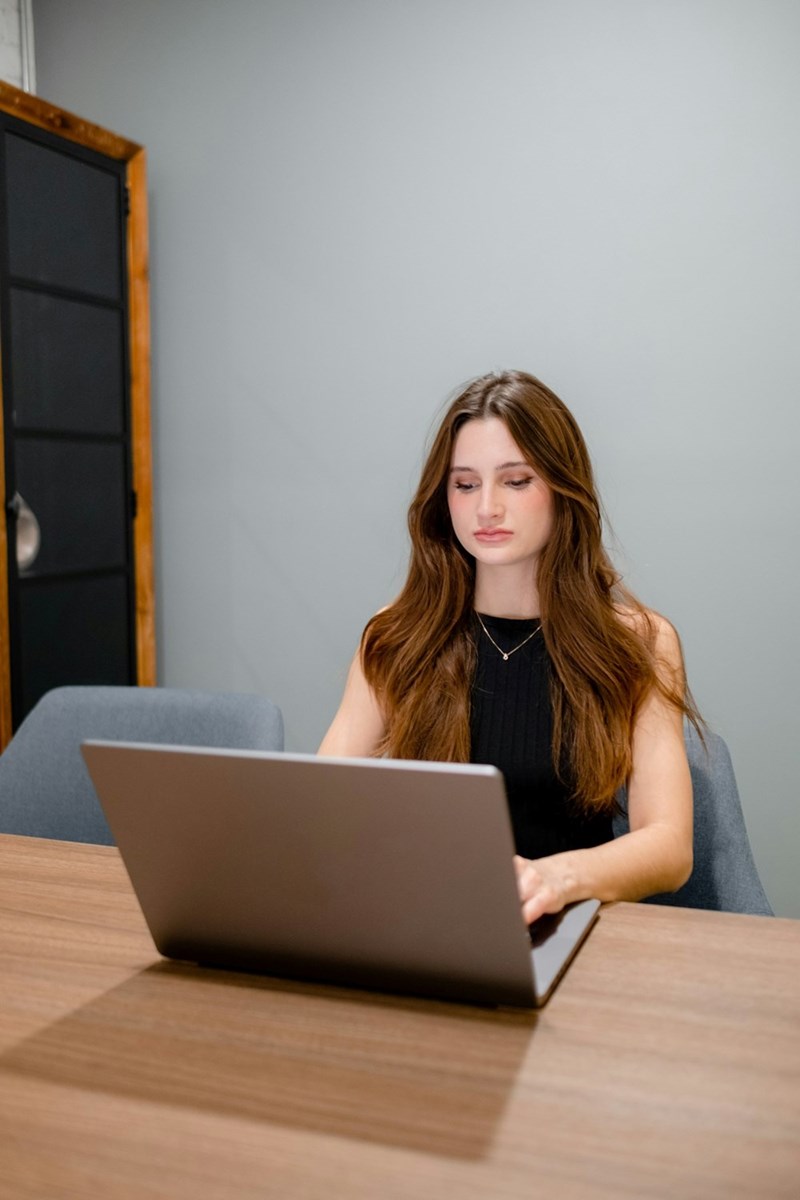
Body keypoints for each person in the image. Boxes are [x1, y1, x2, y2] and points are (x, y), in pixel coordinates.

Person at [319, 370, 697, 924]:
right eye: (465, 484)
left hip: (567, 927)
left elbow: (669, 846)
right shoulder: (395, 636)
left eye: (516, 481)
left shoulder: (637, 642)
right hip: (423, 922)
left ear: (563, 490)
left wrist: (554, 878)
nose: (486, 508)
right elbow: (323, 804)